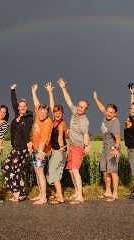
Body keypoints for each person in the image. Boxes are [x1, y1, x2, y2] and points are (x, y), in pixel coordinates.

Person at [57, 77, 90, 205]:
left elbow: (86, 134)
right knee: (71, 170)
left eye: (83, 108)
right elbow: (68, 100)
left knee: (75, 170)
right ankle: (76, 192)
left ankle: (80, 196)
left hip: (78, 147)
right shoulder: (74, 111)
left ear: (86, 109)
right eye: (80, 106)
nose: (80, 109)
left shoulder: (84, 121)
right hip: (72, 146)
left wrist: (87, 145)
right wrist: (63, 88)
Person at [2, 83, 33, 203]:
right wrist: (12, 90)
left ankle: (16, 193)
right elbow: (14, 102)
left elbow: (26, 132)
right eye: (20, 106)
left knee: (7, 168)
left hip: (22, 148)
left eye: (24, 106)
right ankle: (22, 193)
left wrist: (29, 144)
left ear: (27, 107)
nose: (21, 108)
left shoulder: (28, 118)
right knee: (18, 170)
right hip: (16, 147)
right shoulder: (17, 114)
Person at [93, 91, 121, 202]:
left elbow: (118, 137)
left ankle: (115, 193)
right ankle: (108, 191)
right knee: (104, 170)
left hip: (113, 149)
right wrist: (96, 98)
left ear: (115, 114)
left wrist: (115, 148)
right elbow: (101, 108)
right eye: (108, 112)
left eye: (111, 112)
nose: (108, 114)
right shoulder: (106, 115)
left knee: (113, 171)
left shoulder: (115, 123)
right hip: (105, 148)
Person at [44, 82, 68, 205]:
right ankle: (58, 194)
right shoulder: (54, 121)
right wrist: (50, 92)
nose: (57, 114)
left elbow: (59, 136)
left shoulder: (62, 123)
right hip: (55, 150)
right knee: (55, 173)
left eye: (59, 113)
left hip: (60, 150)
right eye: (55, 112)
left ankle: (60, 197)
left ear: (62, 113)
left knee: (53, 172)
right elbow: (52, 105)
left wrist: (60, 146)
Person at [30, 84, 53, 205]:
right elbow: (36, 103)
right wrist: (34, 92)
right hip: (35, 148)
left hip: (42, 151)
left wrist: (39, 152)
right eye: (40, 112)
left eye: (44, 112)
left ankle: (43, 197)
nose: (42, 114)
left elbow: (44, 139)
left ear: (47, 113)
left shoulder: (48, 123)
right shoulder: (38, 116)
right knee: (36, 171)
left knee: (40, 172)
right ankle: (40, 194)